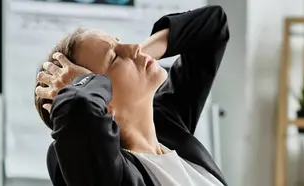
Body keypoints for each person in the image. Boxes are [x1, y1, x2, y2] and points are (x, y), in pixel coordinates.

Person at [33, 5, 229, 186]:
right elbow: (78, 108)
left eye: (119, 42)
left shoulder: (168, 127)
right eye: (113, 58)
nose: (134, 47)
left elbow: (213, 26)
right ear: (101, 98)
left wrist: (140, 55)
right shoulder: (110, 173)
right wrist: (79, 84)